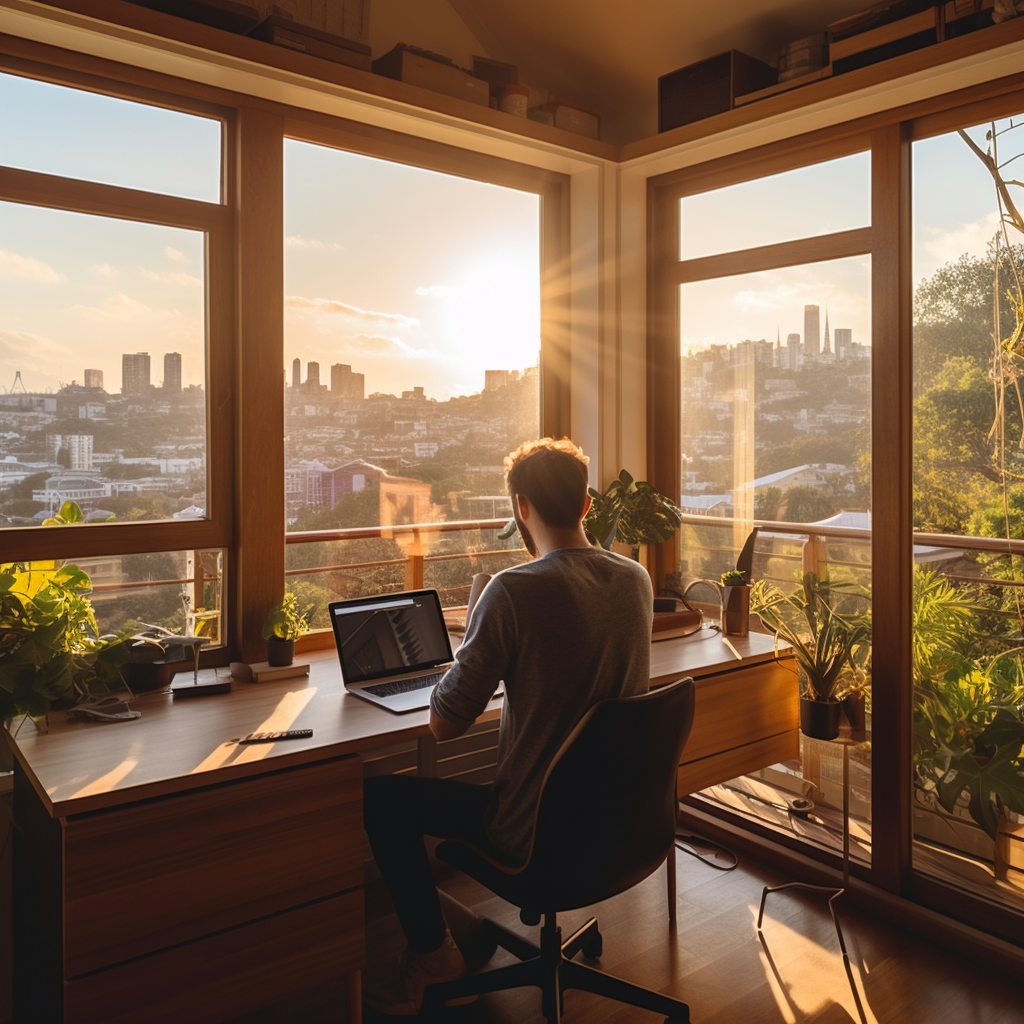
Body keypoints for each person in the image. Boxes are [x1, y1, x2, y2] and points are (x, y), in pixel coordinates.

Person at [363, 437, 654, 1016]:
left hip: (533, 829)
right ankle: (466, 927)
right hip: (619, 822)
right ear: (588, 504)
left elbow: (445, 724)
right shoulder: (635, 579)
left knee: (381, 799)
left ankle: (435, 956)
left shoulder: (514, 591)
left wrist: (470, 650)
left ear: (521, 507)